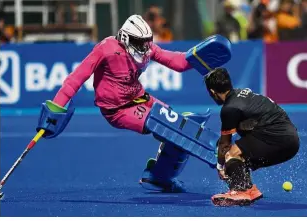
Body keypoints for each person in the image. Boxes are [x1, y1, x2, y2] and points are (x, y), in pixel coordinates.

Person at [37, 15, 229, 192]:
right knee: (169, 126)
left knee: (177, 128)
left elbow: (177, 63)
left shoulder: (147, 48)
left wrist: (197, 57)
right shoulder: (107, 49)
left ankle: (157, 177)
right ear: (125, 38)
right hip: (118, 110)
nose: (146, 48)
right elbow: (77, 78)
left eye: (147, 42)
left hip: (141, 98)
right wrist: (57, 107)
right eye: (140, 43)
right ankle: (217, 158)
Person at [204, 68, 300, 206]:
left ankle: (241, 190)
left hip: (277, 138)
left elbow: (225, 145)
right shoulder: (243, 95)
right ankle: (249, 189)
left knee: (231, 154)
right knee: (241, 154)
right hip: (291, 139)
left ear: (213, 92)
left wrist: (220, 166)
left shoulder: (230, 108)